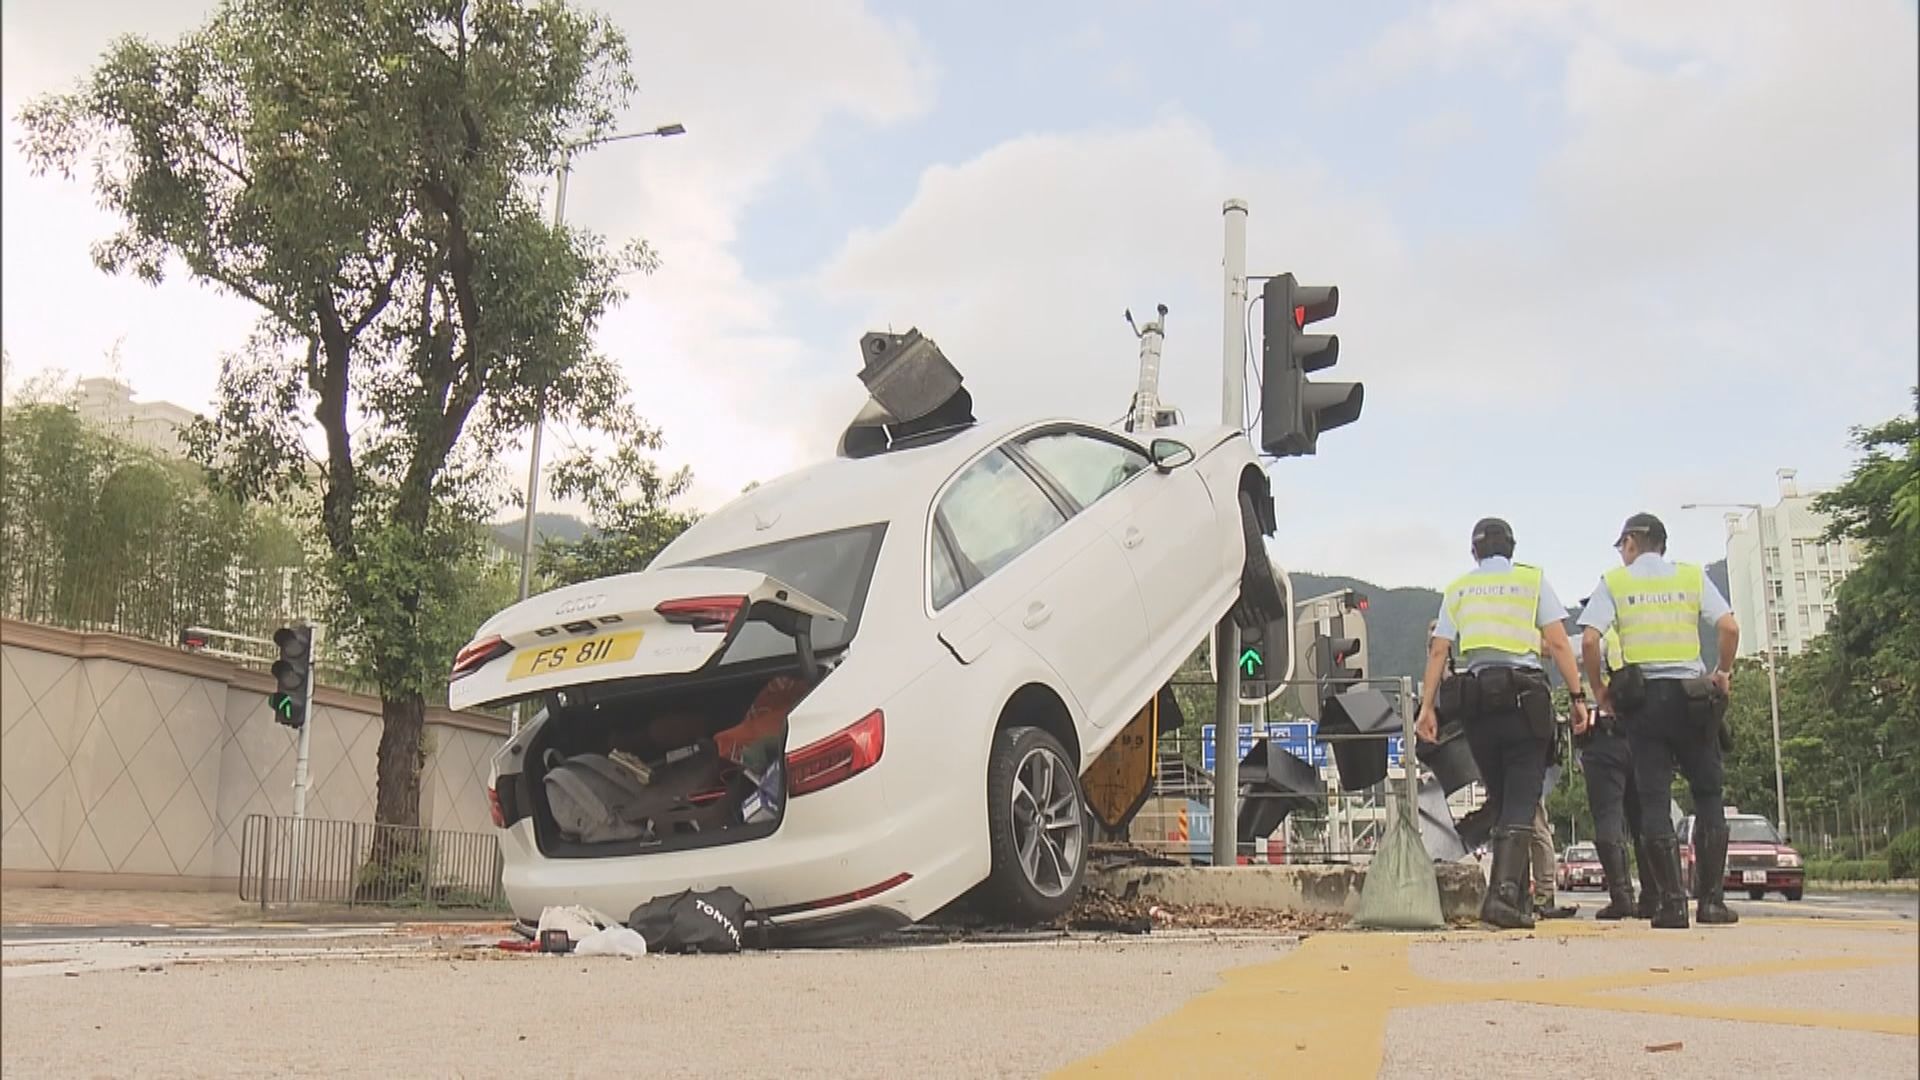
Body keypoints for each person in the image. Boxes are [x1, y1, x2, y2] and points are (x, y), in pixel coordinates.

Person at [1418, 518, 1591, 930]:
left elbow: (1439, 649)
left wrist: (1427, 708)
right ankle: (1504, 898)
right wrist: (1577, 696)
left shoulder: (1459, 588)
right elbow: (1559, 642)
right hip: (1524, 702)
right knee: (1521, 800)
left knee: (1501, 798)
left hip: (1478, 705)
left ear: (1474, 552)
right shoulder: (1532, 581)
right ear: (1512, 548)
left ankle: (1514, 899)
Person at [1579, 512, 1740, 929]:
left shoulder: (1615, 581)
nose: (1622, 552)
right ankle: (1711, 902)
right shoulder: (1691, 576)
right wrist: (1722, 672)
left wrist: (1599, 688)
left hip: (1644, 702)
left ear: (1632, 542)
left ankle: (1671, 905)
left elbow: (1591, 640)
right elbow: (1728, 627)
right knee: (1708, 794)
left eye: (1622, 545)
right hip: (1694, 698)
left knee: (1653, 800)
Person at [1573, 625, 1651, 919]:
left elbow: (1556, 647)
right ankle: (1654, 896)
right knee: (1646, 818)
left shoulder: (1599, 640)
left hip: (1605, 737)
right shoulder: (1643, 636)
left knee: (1608, 818)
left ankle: (1622, 896)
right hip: (1643, 735)